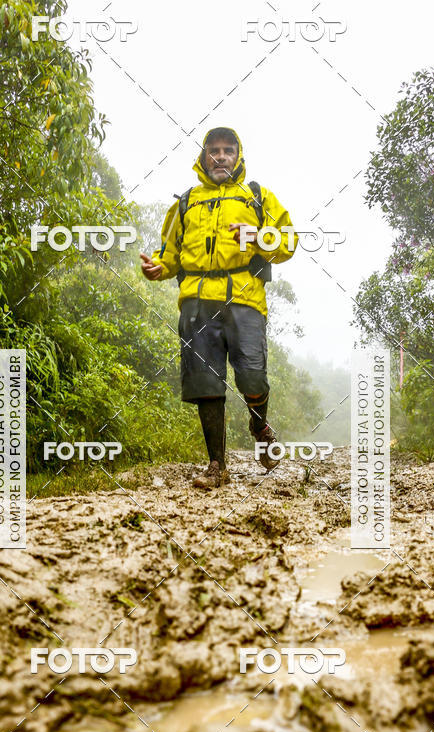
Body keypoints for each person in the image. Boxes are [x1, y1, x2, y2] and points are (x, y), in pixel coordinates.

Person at [140, 126, 298, 489]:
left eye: (228, 150)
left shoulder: (257, 196)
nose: (221, 156)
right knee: (205, 383)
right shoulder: (185, 202)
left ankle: (259, 425)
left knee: (252, 377)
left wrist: (260, 238)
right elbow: (170, 256)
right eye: (214, 150)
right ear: (203, 157)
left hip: (245, 298)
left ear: (238, 156)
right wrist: (156, 268)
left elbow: (287, 242)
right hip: (196, 303)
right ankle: (217, 466)